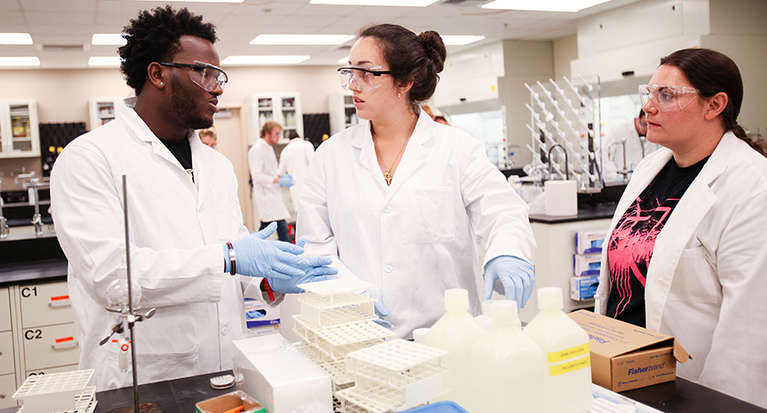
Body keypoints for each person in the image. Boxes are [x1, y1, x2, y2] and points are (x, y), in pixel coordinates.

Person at [49, 6, 334, 391]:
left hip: (226, 369)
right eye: (203, 72)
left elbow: (235, 265)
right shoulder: (90, 158)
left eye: (219, 75)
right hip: (144, 378)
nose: (217, 86)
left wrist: (267, 281)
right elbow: (111, 275)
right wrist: (229, 256)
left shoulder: (216, 165)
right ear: (157, 74)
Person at [297, 24, 536, 338]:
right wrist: (350, 295)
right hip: (358, 334)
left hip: (449, 338)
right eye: (349, 72)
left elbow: (502, 212)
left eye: (366, 73)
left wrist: (508, 251)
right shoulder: (330, 156)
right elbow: (315, 245)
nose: (352, 85)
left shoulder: (457, 148)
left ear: (405, 82)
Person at [594, 48, 767, 407]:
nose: (648, 108)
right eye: (650, 93)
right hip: (621, 372)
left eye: (667, 95)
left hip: (692, 388)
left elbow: (750, 326)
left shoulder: (753, 186)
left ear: (714, 105)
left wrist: (719, 404)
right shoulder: (650, 168)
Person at [248, 121, 292, 242]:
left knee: (273, 226)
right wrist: (275, 179)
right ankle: (290, 253)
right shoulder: (257, 149)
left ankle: (253, 246)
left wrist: (280, 176)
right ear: (267, 133)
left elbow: (270, 170)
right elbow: (256, 175)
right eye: (276, 134)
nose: (279, 137)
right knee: (277, 226)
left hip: (272, 194)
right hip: (265, 195)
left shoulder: (268, 148)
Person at [604, 108, 661, 178]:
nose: (646, 129)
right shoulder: (618, 131)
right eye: (644, 124)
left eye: (649, 125)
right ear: (638, 118)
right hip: (621, 181)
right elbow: (603, 155)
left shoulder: (654, 135)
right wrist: (615, 175)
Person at [278, 131, 315, 216]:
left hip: (295, 189)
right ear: (299, 136)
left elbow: (280, 172)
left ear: (289, 140)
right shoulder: (307, 145)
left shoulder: (285, 150)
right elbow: (314, 164)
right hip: (311, 187)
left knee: (301, 215)